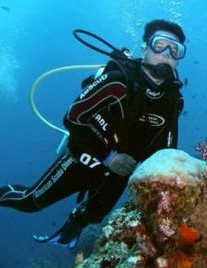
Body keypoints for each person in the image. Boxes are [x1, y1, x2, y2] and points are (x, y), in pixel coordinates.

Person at [0, 19, 186, 248]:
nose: (166, 54)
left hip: (121, 170)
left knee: (93, 215)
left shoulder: (173, 100)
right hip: (85, 156)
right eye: (160, 45)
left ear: (178, 59)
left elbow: (167, 150)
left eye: (175, 50)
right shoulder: (118, 81)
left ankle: (70, 228)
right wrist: (109, 157)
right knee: (30, 203)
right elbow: (71, 118)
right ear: (144, 48)